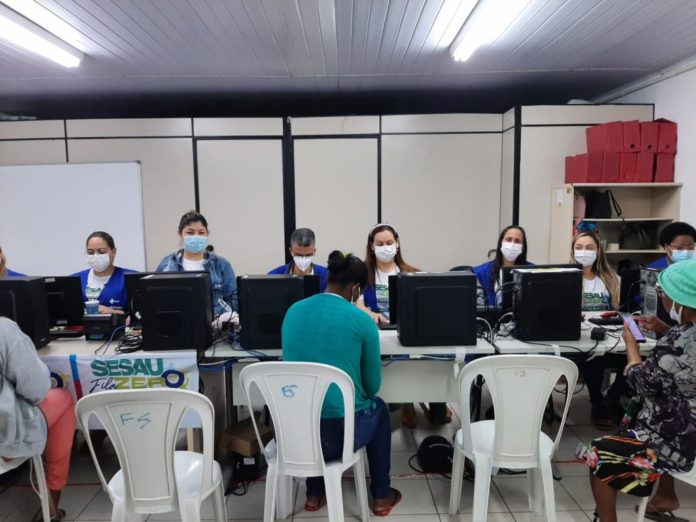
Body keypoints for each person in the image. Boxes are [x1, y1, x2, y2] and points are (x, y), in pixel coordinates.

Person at [282, 251, 401, 516]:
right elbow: (371, 387)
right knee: (380, 409)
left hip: (295, 433)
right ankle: (381, 496)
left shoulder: (293, 312)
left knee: (311, 405)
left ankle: (314, 493)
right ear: (356, 289)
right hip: (337, 437)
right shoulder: (361, 321)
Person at [580, 260, 696, 522]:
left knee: (597, 454)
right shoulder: (682, 336)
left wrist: (631, 345)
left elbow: (639, 382)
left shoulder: (679, 340)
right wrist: (665, 329)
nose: (662, 298)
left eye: (663, 293)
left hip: (680, 440)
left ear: (681, 301)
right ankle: (665, 495)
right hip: (687, 425)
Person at [357, 223, 448, 426]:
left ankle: (434, 400)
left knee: (432, 359)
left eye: (389, 242)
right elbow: (358, 303)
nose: (385, 247)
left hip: (408, 332)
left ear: (397, 243)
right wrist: (372, 314)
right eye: (380, 244)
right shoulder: (363, 274)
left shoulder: (411, 272)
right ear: (371, 246)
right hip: (379, 333)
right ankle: (406, 402)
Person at [0, 317, 75, 522]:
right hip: (4, 438)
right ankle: (51, 508)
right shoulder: (4, 330)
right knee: (63, 399)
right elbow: (37, 390)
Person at [571, 231, 627, 429]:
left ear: (598, 251)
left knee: (634, 356)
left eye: (589, 248)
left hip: (610, 336)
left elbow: (622, 310)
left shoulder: (612, 279)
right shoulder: (567, 278)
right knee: (593, 355)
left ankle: (612, 396)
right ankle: (597, 402)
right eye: (579, 248)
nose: (584, 252)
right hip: (580, 339)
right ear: (572, 251)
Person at [156, 210, 237, 314]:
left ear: (207, 234)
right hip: (178, 322)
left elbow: (233, 301)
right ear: (180, 234)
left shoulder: (221, 264)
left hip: (215, 323)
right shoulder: (167, 264)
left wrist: (209, 314)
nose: (196, 237)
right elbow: (156, 298)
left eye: (201, 233)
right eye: (190, 232)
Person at [72, 232, 135, 314]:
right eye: (90, 252)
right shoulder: (75, 280)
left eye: (101, 252)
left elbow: (141, 314)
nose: (95, 256)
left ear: (114, 252)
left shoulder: (130, 278)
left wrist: (114, 312)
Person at [473, 225, 530, 307]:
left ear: (523, 247)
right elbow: (478, 309)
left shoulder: (532, 272)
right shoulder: (480, 273)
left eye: (517, 241)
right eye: (509, 239)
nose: (512, 244)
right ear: (501, 243)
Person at [268, 228, 329, 292]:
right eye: (299, 255)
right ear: (291, 251)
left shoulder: (328, 277)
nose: (304, 259)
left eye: (308, 255)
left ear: (314, 251)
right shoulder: (273, 278)